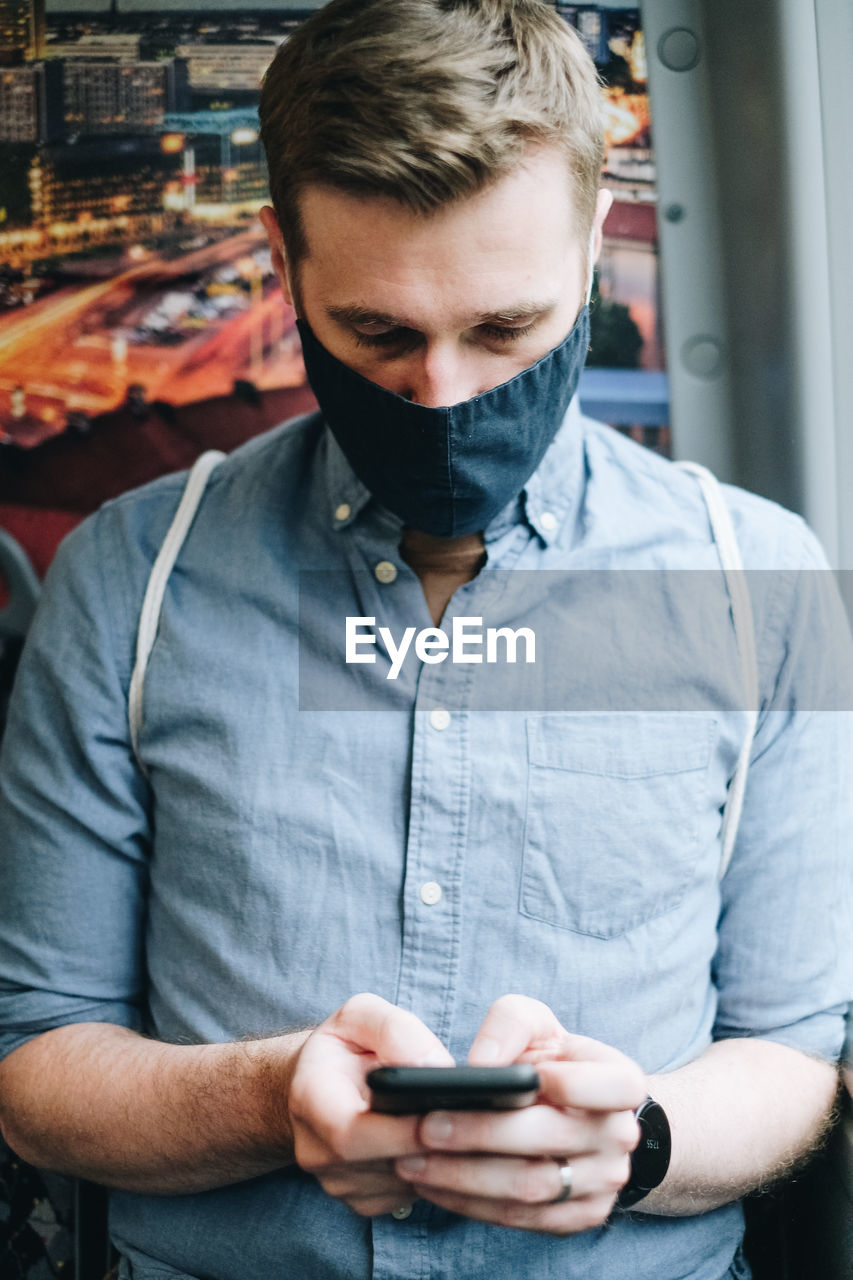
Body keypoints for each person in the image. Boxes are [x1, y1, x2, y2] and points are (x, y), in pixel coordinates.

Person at [0, 2, 850, 1278]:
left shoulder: (758, 582)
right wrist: (269, 1096)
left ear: (593, 238)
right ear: (287, 261)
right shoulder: (130, 577)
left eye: (505, 330)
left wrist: (635, 1143)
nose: (444, 397)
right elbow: (38, 1053)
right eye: (379, 333)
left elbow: (793, 1049)